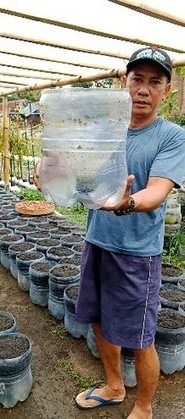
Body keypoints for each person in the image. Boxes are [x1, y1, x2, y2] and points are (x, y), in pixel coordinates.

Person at [34, 46, 185, 419]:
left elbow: (157, 191)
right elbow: (72, 170)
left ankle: (146, 407)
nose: (143, 90)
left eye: (155, 82)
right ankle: (115, 386)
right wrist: (49, 170)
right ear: (124, 83)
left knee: (141, 337)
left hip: (137, 254)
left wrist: (128, 202)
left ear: (168, 90)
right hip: (97, 241)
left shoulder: (171, 136)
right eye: (137, 80)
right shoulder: (104, 130)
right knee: (100, 321)